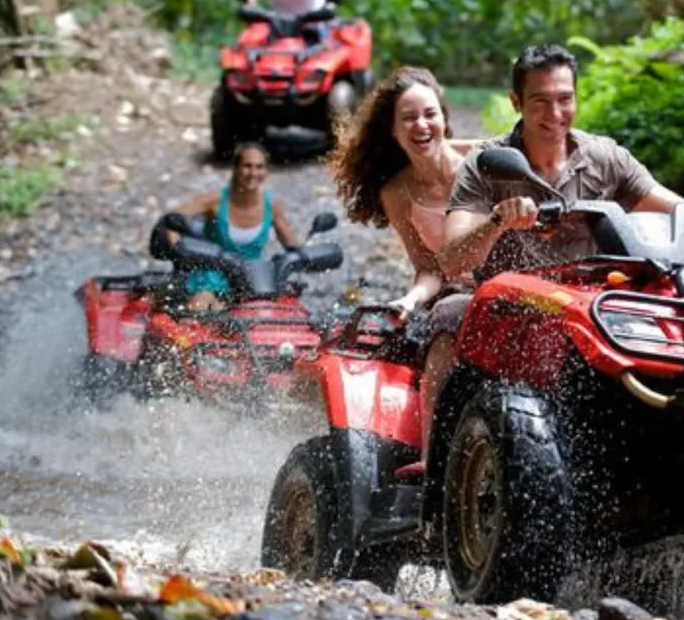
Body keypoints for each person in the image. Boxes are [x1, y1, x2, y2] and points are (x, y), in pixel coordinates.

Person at [406, 44, 684, 463]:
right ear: (516, 102)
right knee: (449, 314)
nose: (554, 114)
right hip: (509, 305)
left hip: (593, 303)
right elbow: (453, 259)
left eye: (564, 100)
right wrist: (498, 221)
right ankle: (434, 460)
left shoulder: (605, 158)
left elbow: (683, 214)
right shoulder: (486, 164)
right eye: (540, 101)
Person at [329, 66, 483, 445]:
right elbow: (428, 269)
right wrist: (410, 300)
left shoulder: (481, 159)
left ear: (445, 120)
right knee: (441, 340)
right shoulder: (396, 193)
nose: (421, 125)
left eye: (430, 114)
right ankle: (431, 461)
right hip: (453, 292)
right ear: (394, 131)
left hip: (505, 278)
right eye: (409, 118)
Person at [171, 143, 302, 311]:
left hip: (253, 282)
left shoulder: (273, 208)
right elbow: (172, 220)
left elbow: (293, 247)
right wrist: (175, 246)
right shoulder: (214, 202)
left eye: (259, 167)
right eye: (247, 166)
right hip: (210, 279)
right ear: (236, 169)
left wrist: (308, 256)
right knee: (201, 305)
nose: (253, 173)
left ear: (266, 171)